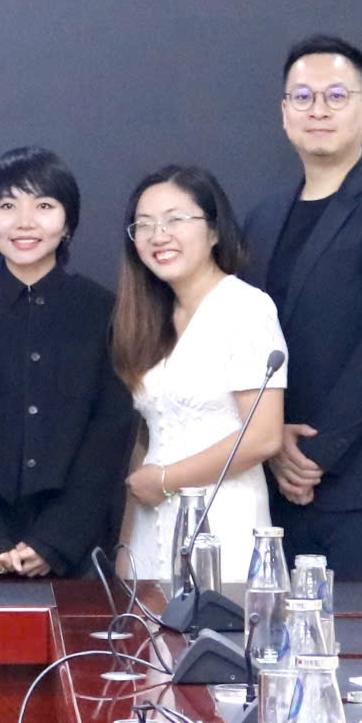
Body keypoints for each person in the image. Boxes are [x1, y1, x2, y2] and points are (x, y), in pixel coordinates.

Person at [243, 33, 362, 580]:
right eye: (303, 97)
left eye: (336, 96)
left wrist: (316, 452)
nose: (318, 110)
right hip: (278, 490)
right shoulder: (262, 218)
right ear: (284, 113)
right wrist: (272, 441)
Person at [0, 147, 134, 579]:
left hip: (76, 551)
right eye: (8, 206)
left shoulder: (103, 313)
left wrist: (57, 540)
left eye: (44, 206)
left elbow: (108, 435)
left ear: (67, 223)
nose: (24, 222)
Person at [112, 166, 288, 580]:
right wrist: (125, 544)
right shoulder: (150, 317)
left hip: (223, 517)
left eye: (175, 220)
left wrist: (167, 480)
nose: (158, 235)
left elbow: (263, 437)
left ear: (213, 232)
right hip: (150, 522)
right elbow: (146, 438)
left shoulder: (245, 308)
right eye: (144, 224)